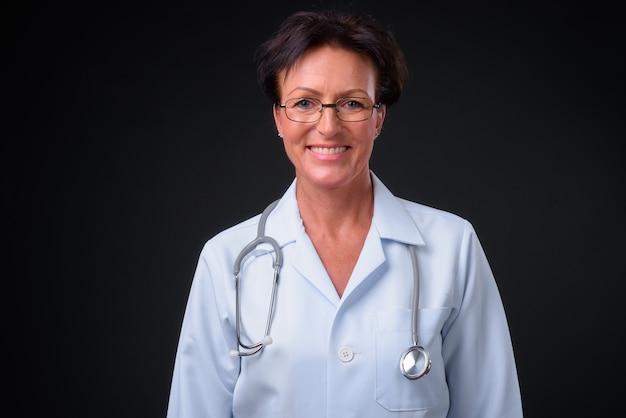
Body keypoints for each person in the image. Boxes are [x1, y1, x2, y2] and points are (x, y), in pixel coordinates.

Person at [166, 8, 523, 418]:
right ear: (279, 118)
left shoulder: (452, 247)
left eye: (352, 103)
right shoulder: (227, 260)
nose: (328, 126)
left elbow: (493, 409)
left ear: (378, 117)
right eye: (304, 102)